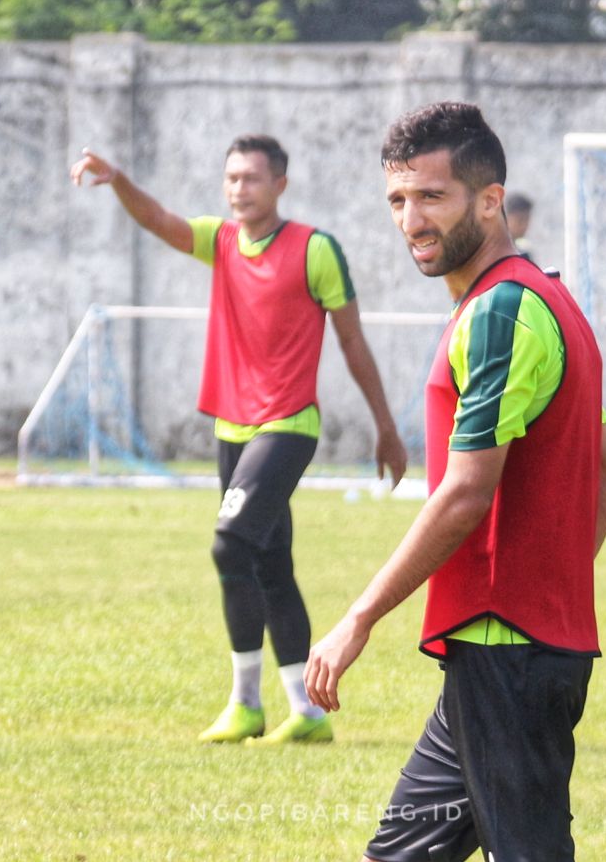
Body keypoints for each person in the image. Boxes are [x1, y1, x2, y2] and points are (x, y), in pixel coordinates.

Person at [304, 102, 606, 861]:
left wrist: (358, 617)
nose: (411, 219)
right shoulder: (552, 304)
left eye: (431, 197)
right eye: (397, 199)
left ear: (490, 200)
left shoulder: (501, 314)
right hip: (503, 651)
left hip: (507, 653)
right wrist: (547, 596)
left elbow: (464, 492)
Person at [70, 134, 408, 745]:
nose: (239, 189)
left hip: (287, 425)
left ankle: (244, 702)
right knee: (270, 563)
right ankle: (305, 714)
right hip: (231, 427)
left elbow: (352, 342)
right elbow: (159, 220)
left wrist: (385, 426)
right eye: (231, 179)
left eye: (251, 178)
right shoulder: (221, 242)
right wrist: (118, 178)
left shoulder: (315, 250)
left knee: (230, 544)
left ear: (280, 184)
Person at [505, 191, 536, 263]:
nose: (524, 226)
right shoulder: (498, 253)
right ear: (506, 217)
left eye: (527, 220)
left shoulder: (523, 254)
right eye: (520, 220)